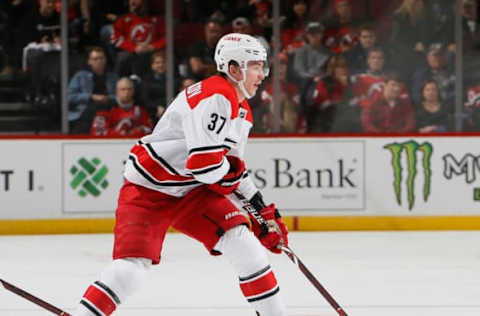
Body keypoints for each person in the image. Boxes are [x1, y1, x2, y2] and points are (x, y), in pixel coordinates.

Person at [72, 33, 288, 316]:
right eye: (257, 66)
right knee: (131, 271)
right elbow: (206, 166)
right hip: (149, 190)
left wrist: (262, 211)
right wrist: (246, 197)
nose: (263, 74)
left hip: (191, 190)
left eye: (263, 66)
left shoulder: (241, 110)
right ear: (234, 69)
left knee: (247, 248)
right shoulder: (216, 97)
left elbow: (231, 166)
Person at [68, 46, 118, 134]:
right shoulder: (80, 76)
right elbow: (69, 97)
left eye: (101, 58)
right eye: (95, 59)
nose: (99, 61)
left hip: (109, 113)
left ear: (105, 60)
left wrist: (107, 98)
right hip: (84, 115)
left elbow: (120, 97)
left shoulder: (113, 77)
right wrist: (91, 97)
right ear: (89, 61)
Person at [111, 0, 166, 77]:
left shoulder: (157, 19)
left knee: (162, 58)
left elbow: (166, 38)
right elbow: (115, 39)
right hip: (131, 53)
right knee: (122, 57)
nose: (132, 2)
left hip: (152, 51)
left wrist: (152, 46)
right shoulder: (123, 19)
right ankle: (118, 82)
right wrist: (134, 48)